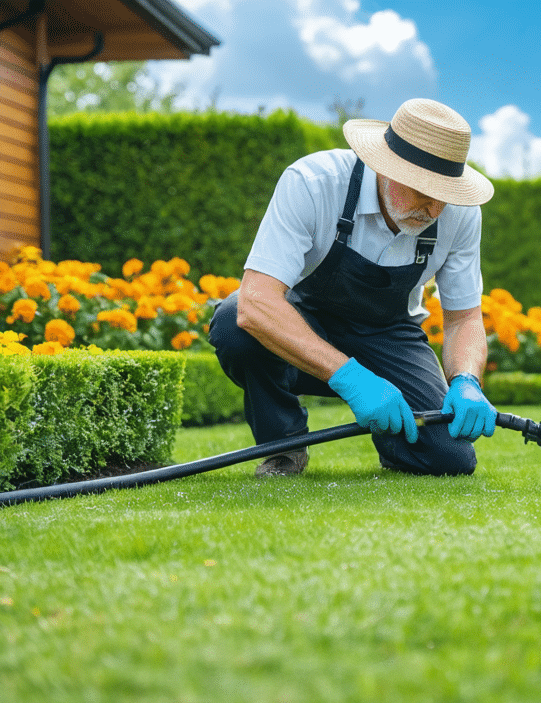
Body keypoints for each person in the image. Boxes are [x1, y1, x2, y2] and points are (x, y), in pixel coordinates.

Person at [209, 98, 498, 477]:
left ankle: (399, 445)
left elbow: (463, 319)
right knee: (233, 323)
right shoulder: (313, 183)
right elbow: (257, 302)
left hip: (390, 335)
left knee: (450, 459)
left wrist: (466, 380)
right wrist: (351, 377)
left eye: (444, 195)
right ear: (386, 169)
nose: (433, 209)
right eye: (422, 192)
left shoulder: (459, 214)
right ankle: (284, 445)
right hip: (304, 323)